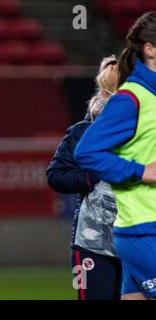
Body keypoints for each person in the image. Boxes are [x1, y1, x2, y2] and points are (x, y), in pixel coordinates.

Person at [74, 11, 156, 300]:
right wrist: (139, 170)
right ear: (150, 48)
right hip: (143, 230)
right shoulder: (132, 98)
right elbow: (86, 151)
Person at [47, 55, 122, 300]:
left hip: (139, 240)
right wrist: (90, 176)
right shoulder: (82, 133)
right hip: (92, 244)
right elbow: (56, 176)